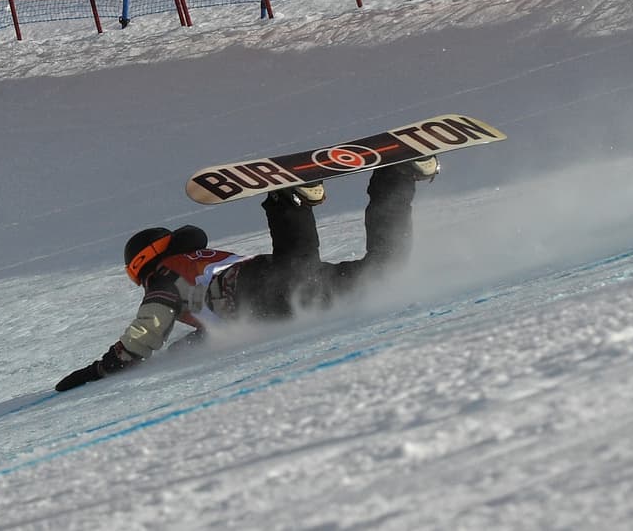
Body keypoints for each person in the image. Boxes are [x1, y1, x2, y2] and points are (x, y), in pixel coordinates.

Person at [54, 156, 438, 392]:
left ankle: (289, 200)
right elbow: (213, 325)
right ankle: (397, 175)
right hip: (274, 284)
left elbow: (148, 329)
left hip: (264, 292)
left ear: (142, 265)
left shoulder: (166, 276)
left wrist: (103, 368)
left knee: (301, 266)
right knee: (383, 268)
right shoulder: (198, 260)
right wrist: (186, 349)